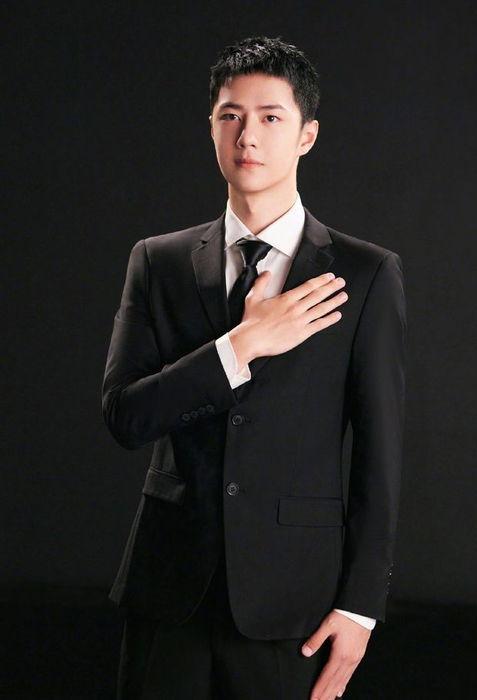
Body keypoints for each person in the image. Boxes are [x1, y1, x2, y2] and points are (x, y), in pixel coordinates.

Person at [102, 35, 407, 700]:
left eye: (271, 117)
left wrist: (361, 607)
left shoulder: (365, 274)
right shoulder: (157, 261)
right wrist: (237, 348)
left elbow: (378, 457)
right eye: (230, 116)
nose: (248, 136)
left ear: (307, 135)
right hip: (168, 593)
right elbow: (125, 416)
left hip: (294, 602)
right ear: (211, 128)